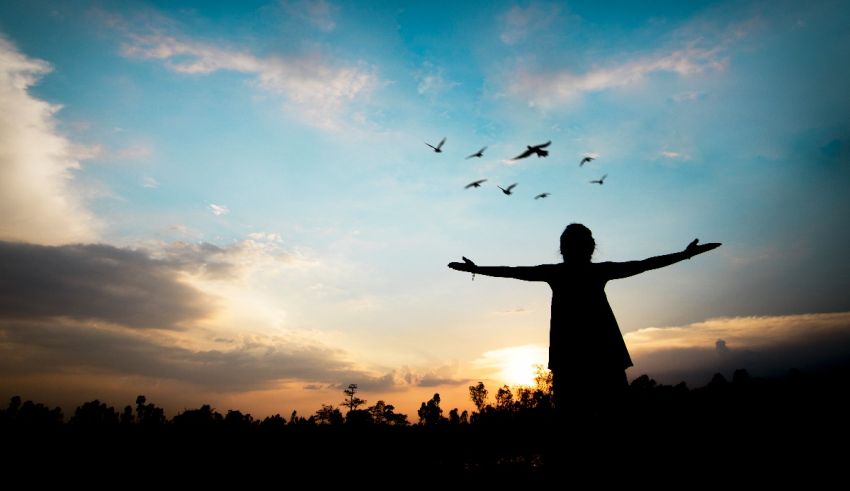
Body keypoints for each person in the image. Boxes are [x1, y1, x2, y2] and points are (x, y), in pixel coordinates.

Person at [448, 223, 721, 419]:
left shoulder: (567, 273)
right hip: (591, 362)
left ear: (565, 249)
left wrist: (476, 269)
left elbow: (645, 263)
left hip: (586, 362)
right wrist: (477, 269)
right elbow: (645, 263)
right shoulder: (582, 272)